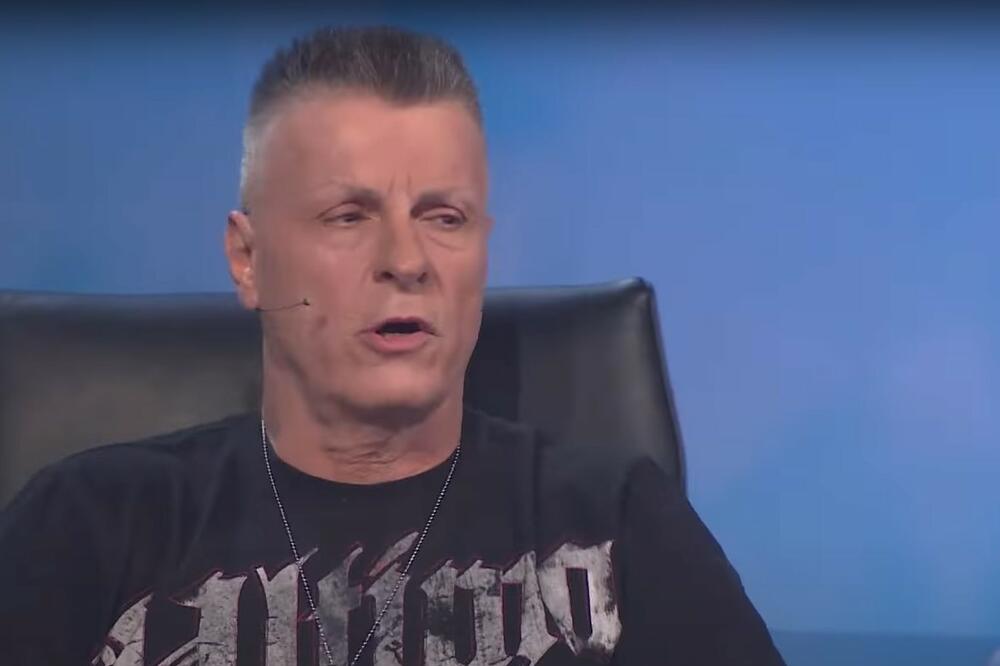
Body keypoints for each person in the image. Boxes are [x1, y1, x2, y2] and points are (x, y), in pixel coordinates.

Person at [0, 26, 785, 665]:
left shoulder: (617, 520)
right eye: (348, 216)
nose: (407, 260)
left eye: (445, 218)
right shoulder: (92, 523)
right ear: (248, 259)